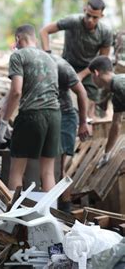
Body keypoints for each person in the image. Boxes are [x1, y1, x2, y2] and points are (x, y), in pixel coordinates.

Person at [0, 24, 61, 191]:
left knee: (17, 171)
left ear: (18, 38)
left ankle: (13, 216)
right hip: (54, 115)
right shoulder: (50, 59)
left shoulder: (18, 56)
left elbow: (16, 91)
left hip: (32, 115)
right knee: (47, 172)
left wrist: (4, 122)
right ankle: (49, 215)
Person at [39, 0, 113, 119]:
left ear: (101, 16)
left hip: (90, 69)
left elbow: (102, 61)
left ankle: (88, 125)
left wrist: (82, 75)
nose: (90, 20)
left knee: (90, 106)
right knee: (57, 97)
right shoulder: (72, 21)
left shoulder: (105, 32)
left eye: (95, 17)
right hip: (67, 65)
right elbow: (44, 31)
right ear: (84, 10)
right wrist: (48, 55)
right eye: (88, 15)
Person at [52, 54, 91, 212]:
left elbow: (82, 93)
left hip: (66, 118)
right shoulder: (36, 66)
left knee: (59, 169)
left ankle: (64, 210)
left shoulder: (62, 68)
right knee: (50, 169)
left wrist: (83, 123)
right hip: (50, 116)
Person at [88, 56, 125, 168]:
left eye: (91, 76)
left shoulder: (120, 84)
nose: (92, 80)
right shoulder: (116, 91)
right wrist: (107, 153)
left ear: (96, 73)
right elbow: (116, 124)